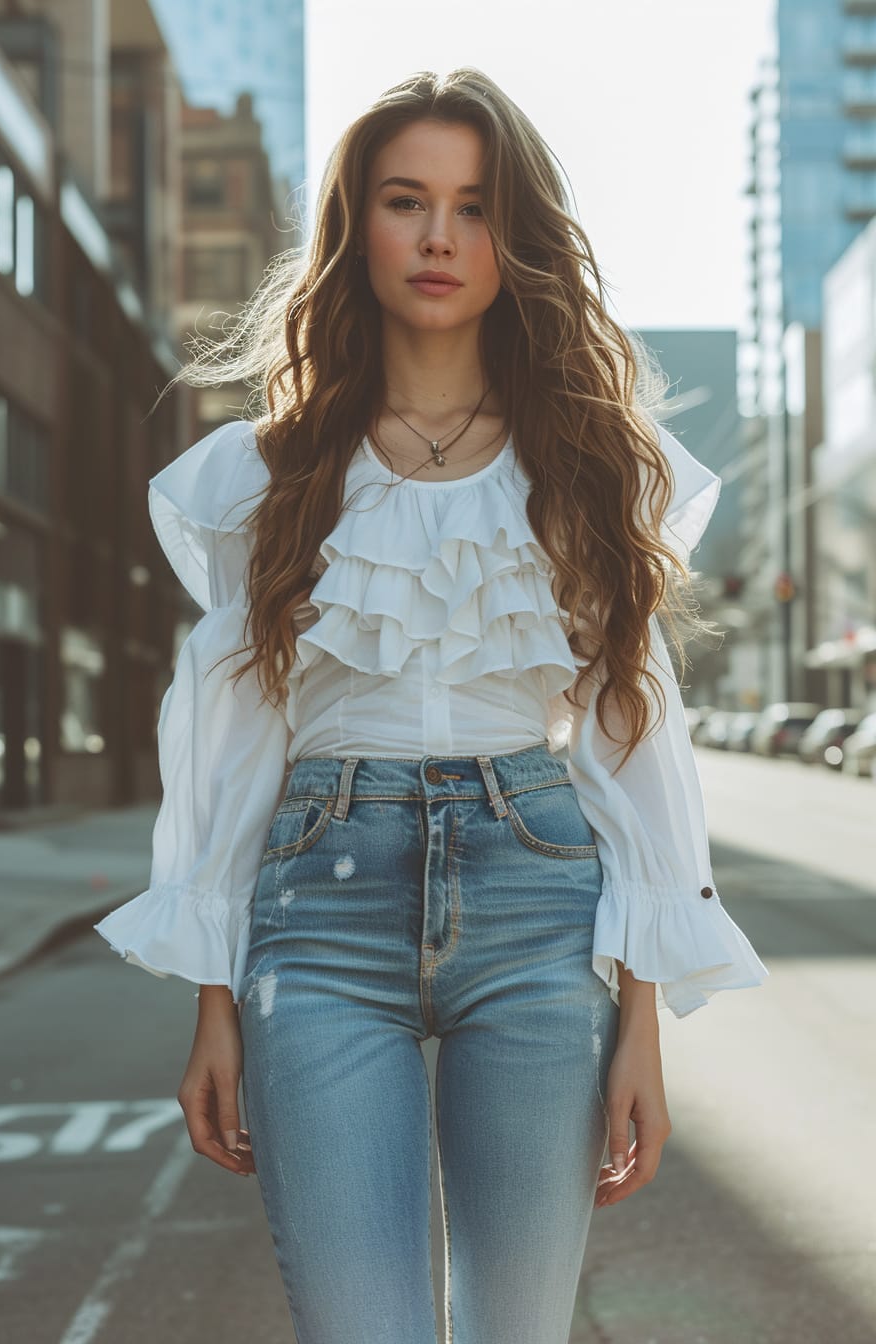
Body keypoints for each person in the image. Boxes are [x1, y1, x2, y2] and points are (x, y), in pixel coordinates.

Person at [94, 67, 768, 1344]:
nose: (441, 237)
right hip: (316, 910)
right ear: (360, 228)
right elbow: (230, 737)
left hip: (537, 905)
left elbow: (633, 739)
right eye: (407, 201)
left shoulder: (586, 460)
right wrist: (213, 999)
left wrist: (642, 1024)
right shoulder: (263, 473)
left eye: (472, 206)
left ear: (514, 238)